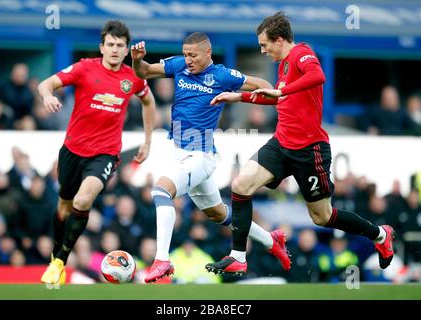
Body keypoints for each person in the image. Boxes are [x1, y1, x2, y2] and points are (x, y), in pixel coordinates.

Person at [205, 12, 395, 276]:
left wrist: (281, 90)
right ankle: (238, 255)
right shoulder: (283, 65)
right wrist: (239, 97)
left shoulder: (302, 53)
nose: (262, 50)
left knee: (322, 217)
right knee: (240, 184)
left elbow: (318, 76)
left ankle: (380, 235)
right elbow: (277, 98)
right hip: (282, 143)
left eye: (264, 45)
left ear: (280, 39)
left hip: (310, 150)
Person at [131, 32, 291, 283]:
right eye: (185, 54)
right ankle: (271, 240)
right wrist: (137, 60)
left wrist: (268, 99)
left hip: (200, 157)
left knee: (161, 192)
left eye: (192, 55)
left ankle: (161, 259)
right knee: (218, 214)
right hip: (181, 154)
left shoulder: (222, 76)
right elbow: (145, 72)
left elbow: (264, 85)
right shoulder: (179, 65)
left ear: (208, 53)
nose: (188, 60)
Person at [37, 20, 156, 286]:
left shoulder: (133, 76)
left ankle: (60, 261)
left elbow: (149, 102)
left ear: (127, 50)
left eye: (120, 45)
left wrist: (148, 140)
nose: (115, 49)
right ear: (102, 47)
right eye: (110, 44)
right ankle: (55, 258)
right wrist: (47, 96)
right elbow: (45, 84)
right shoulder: (83, 68)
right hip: (72, 151)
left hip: (105, 154)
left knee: (82, 200)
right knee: (64, 205)